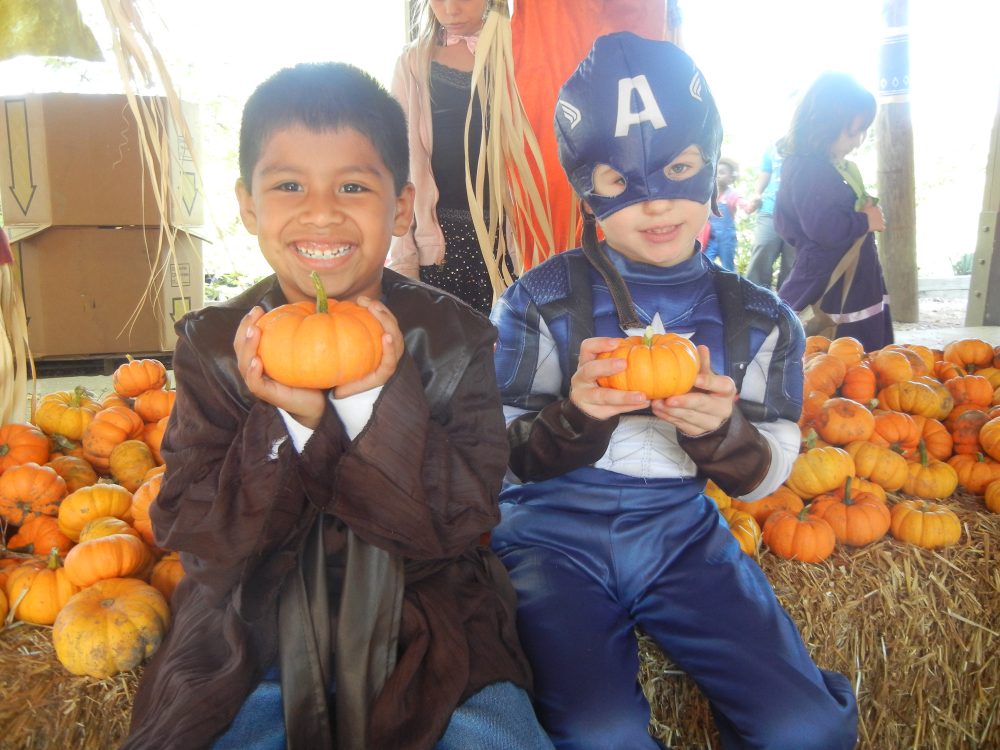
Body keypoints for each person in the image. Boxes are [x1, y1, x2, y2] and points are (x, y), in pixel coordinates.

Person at [123, 62, 554, 750]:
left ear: (403, 206)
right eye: (289, 185)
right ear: (247, 204)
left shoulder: (455, 339)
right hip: (251, 633)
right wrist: (286, 419)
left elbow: (461, 519)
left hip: (428, 622)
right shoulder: (214, 345)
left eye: (353, 186)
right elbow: (202, 538)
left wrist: (370, 404)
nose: (321, 211)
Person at [489, 33, 858, 750]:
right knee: (600, 734)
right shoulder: (541, 299)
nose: (655, 204)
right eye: (619, 182)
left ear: (709, 165)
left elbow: (772, 460)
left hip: (679, 534)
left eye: (679, 168)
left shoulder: (759, 319)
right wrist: (573, 418)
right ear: (584, 184)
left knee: (804, 725)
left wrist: (722, 434)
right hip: (548, 538)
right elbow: (494, 448)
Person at [387, 0, 551, 315]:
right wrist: (404, 263)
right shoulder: (412, 65)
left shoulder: (521, 57)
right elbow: (400, 171)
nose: (450, 10)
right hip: (440, 258)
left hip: (512, 256)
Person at [774, 71, 891, 351]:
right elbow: (823, 227)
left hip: (845, 277)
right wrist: (865, 220)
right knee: (842, 357)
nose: (859, 140)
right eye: (854, 132)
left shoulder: (814, 166)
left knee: (848, 360)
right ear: (825, 124)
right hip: (833, 283)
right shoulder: (811, 169)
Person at [744, 140, 795, 289]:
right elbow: (766, 172)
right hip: (770, 209)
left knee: (792, 262)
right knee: (762, 248)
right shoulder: (773, 147)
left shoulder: (810, 146)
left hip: (798, 216)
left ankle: (788, 305)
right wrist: (757, 194)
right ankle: (755, 299)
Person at [701, 156, 747, 271]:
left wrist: (750, 205)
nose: (718, 175)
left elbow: (743, 204)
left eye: (722, 173)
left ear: (731, 178)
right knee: (705, 262)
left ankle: (732, 287)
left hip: (727, 239)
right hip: (712, 237)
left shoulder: (732, 195)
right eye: (716, 172)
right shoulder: (710, 195)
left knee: (728, 266)